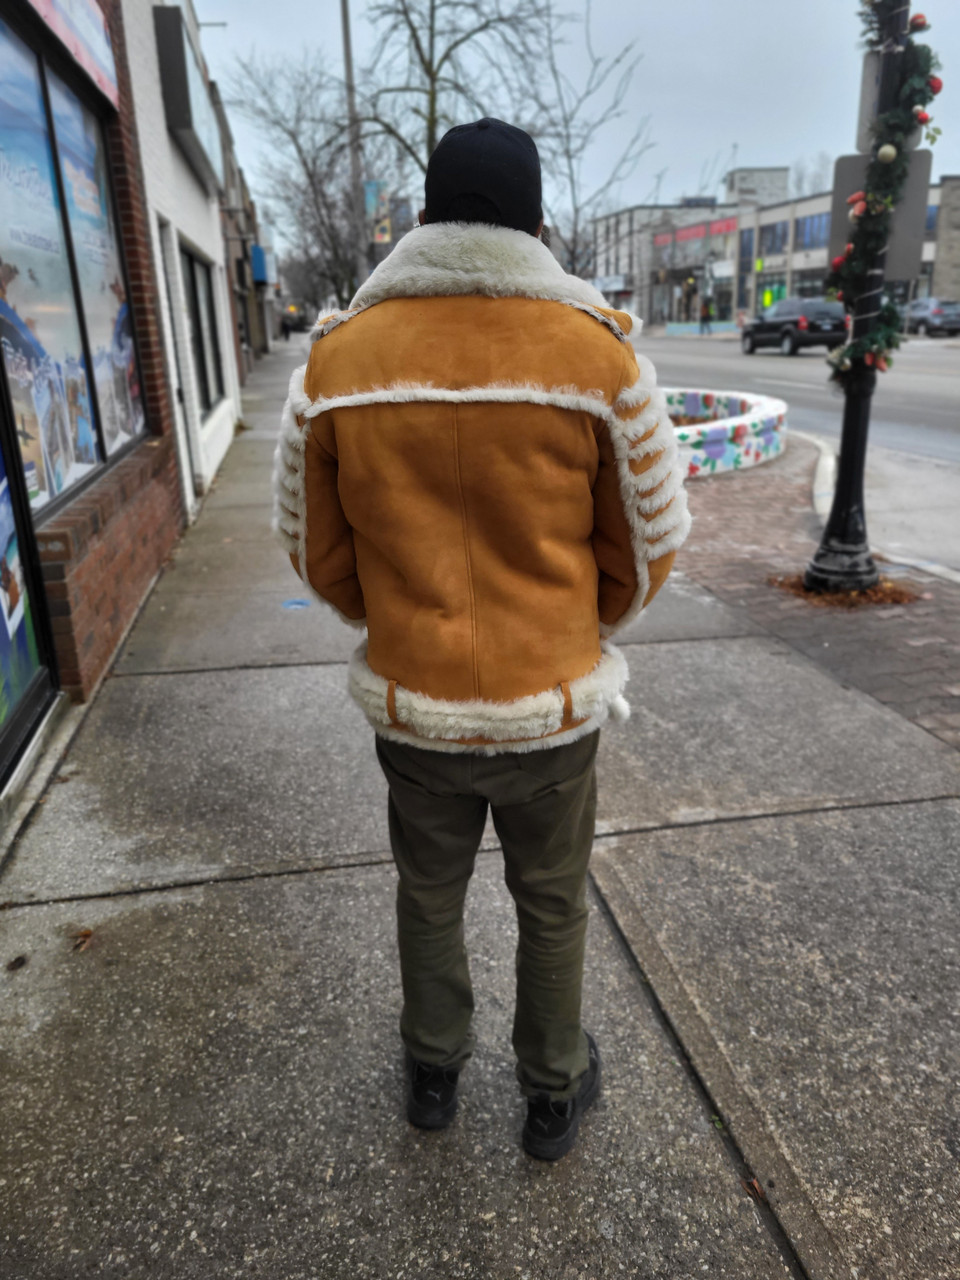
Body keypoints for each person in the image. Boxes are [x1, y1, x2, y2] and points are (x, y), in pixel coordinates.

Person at [273, 118, 689, 1161]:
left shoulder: (338, 363)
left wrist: (396, 617)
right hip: (547, 704)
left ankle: (432, 1075)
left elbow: (313, 550)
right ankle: (551, 1090)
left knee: (428, 890)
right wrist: (576, 623)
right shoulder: (595, 357)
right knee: (552, 902)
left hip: (417, 707)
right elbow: (646, 545)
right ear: (539, 225)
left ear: (421, 220)